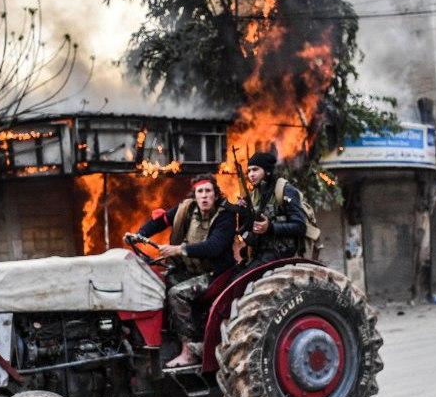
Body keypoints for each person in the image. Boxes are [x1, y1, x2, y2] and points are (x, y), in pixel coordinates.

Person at [129, 174, 236, 368]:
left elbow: (214, 247)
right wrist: (139, 234)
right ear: (195, 195)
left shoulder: (226, 215)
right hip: (191, 271)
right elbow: (161, 221)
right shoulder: (186, 209)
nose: (204, 196)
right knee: (159, 284)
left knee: (177, 294)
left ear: (215, 194)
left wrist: (179, 249)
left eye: (208, 191)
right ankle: (164, 341)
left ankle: (190, 351)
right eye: (200, 192)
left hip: (216, 275)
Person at [237, 151, 307, 267]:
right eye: (249, 171)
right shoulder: (254, 195)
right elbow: (247, 231)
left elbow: (300, 226)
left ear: (267, 171)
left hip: (281, 254)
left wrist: (270, 227)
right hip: (259, 253)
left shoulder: (285, 190)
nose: (251, 175)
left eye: (255, 170)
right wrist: (242, 212)